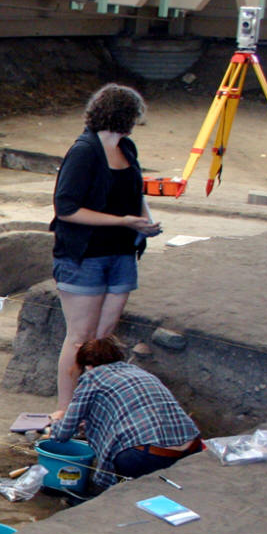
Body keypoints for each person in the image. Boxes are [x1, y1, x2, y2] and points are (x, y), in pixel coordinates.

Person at [50, 83, 160, 410]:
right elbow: (66, 208)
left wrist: (144, 220)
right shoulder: (84, 151)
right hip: (85, 256)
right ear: (125, 115)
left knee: (103, 335)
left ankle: (91, 403)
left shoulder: (128, 149)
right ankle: (65, 408)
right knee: (80, 337)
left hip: (122, 253)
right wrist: (122, 221)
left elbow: (135, 195)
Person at [48, 337, 201, 491]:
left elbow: (63, 433)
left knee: (123, 468)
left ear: (87, 366)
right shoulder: (139, 372)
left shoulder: (92, 378)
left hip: (148, 456)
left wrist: (56, 421)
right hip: (191, 448)